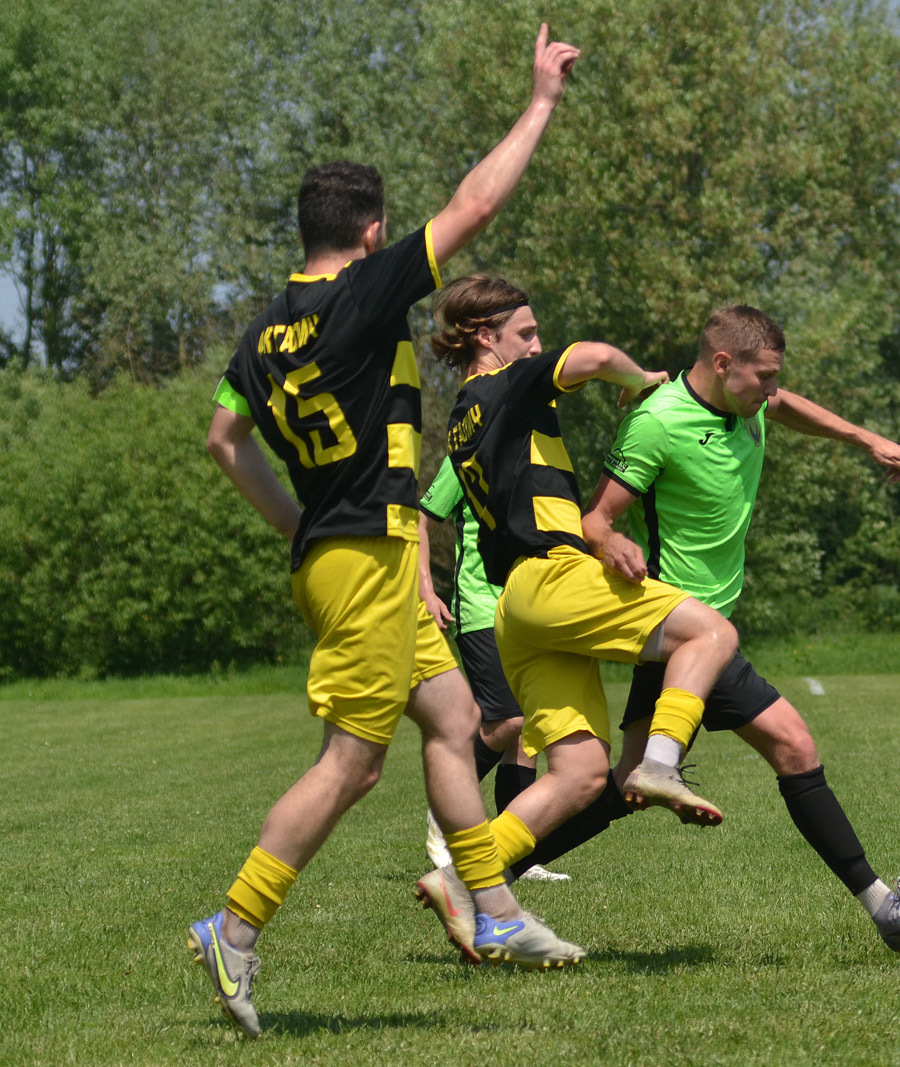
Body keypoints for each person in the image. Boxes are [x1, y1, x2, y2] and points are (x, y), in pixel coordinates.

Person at [190, 25, 584, 1037]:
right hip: (363, 558)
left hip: (348, 551)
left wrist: (300, 525)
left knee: (454, 722)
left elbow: (223, 437)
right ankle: (233, 923)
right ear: (371, 235)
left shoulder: (264, 327)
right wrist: (538, 99)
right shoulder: (360, 299)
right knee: (351, 764)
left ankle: (492, 908)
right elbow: (476, 204)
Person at [509, 304, 900, 953]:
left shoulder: (750, 402)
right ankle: (883, 905)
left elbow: (790, 405)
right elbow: (593, 517)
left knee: (623, 784)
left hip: (695, 631)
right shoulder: (657, 420)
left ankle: (487, 866)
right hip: (683, 630)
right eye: (763, 377)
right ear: (722, 363)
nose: (771, 392)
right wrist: (611, 545)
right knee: (794, 744)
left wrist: (865, 440)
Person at [413, 274, 740, 953]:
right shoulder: (506, 385)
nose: (536, 345)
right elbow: (590, 357)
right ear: (486, 337)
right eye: (525, 333)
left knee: (582, 774)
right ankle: (658, 761)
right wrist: (642, 376)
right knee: (711, 630)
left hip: (518, 609)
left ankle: (462, 883)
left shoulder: (463, 417)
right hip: (554, 576)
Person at [416, 463, 568, 882]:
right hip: (481, 608)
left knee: (528, 733)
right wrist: (426, 590)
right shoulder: (465, 455)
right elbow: (419, 524)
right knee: (509, 720)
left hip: (526, 609)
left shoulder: (536, 453)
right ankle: (444, 808)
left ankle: (518, 851)